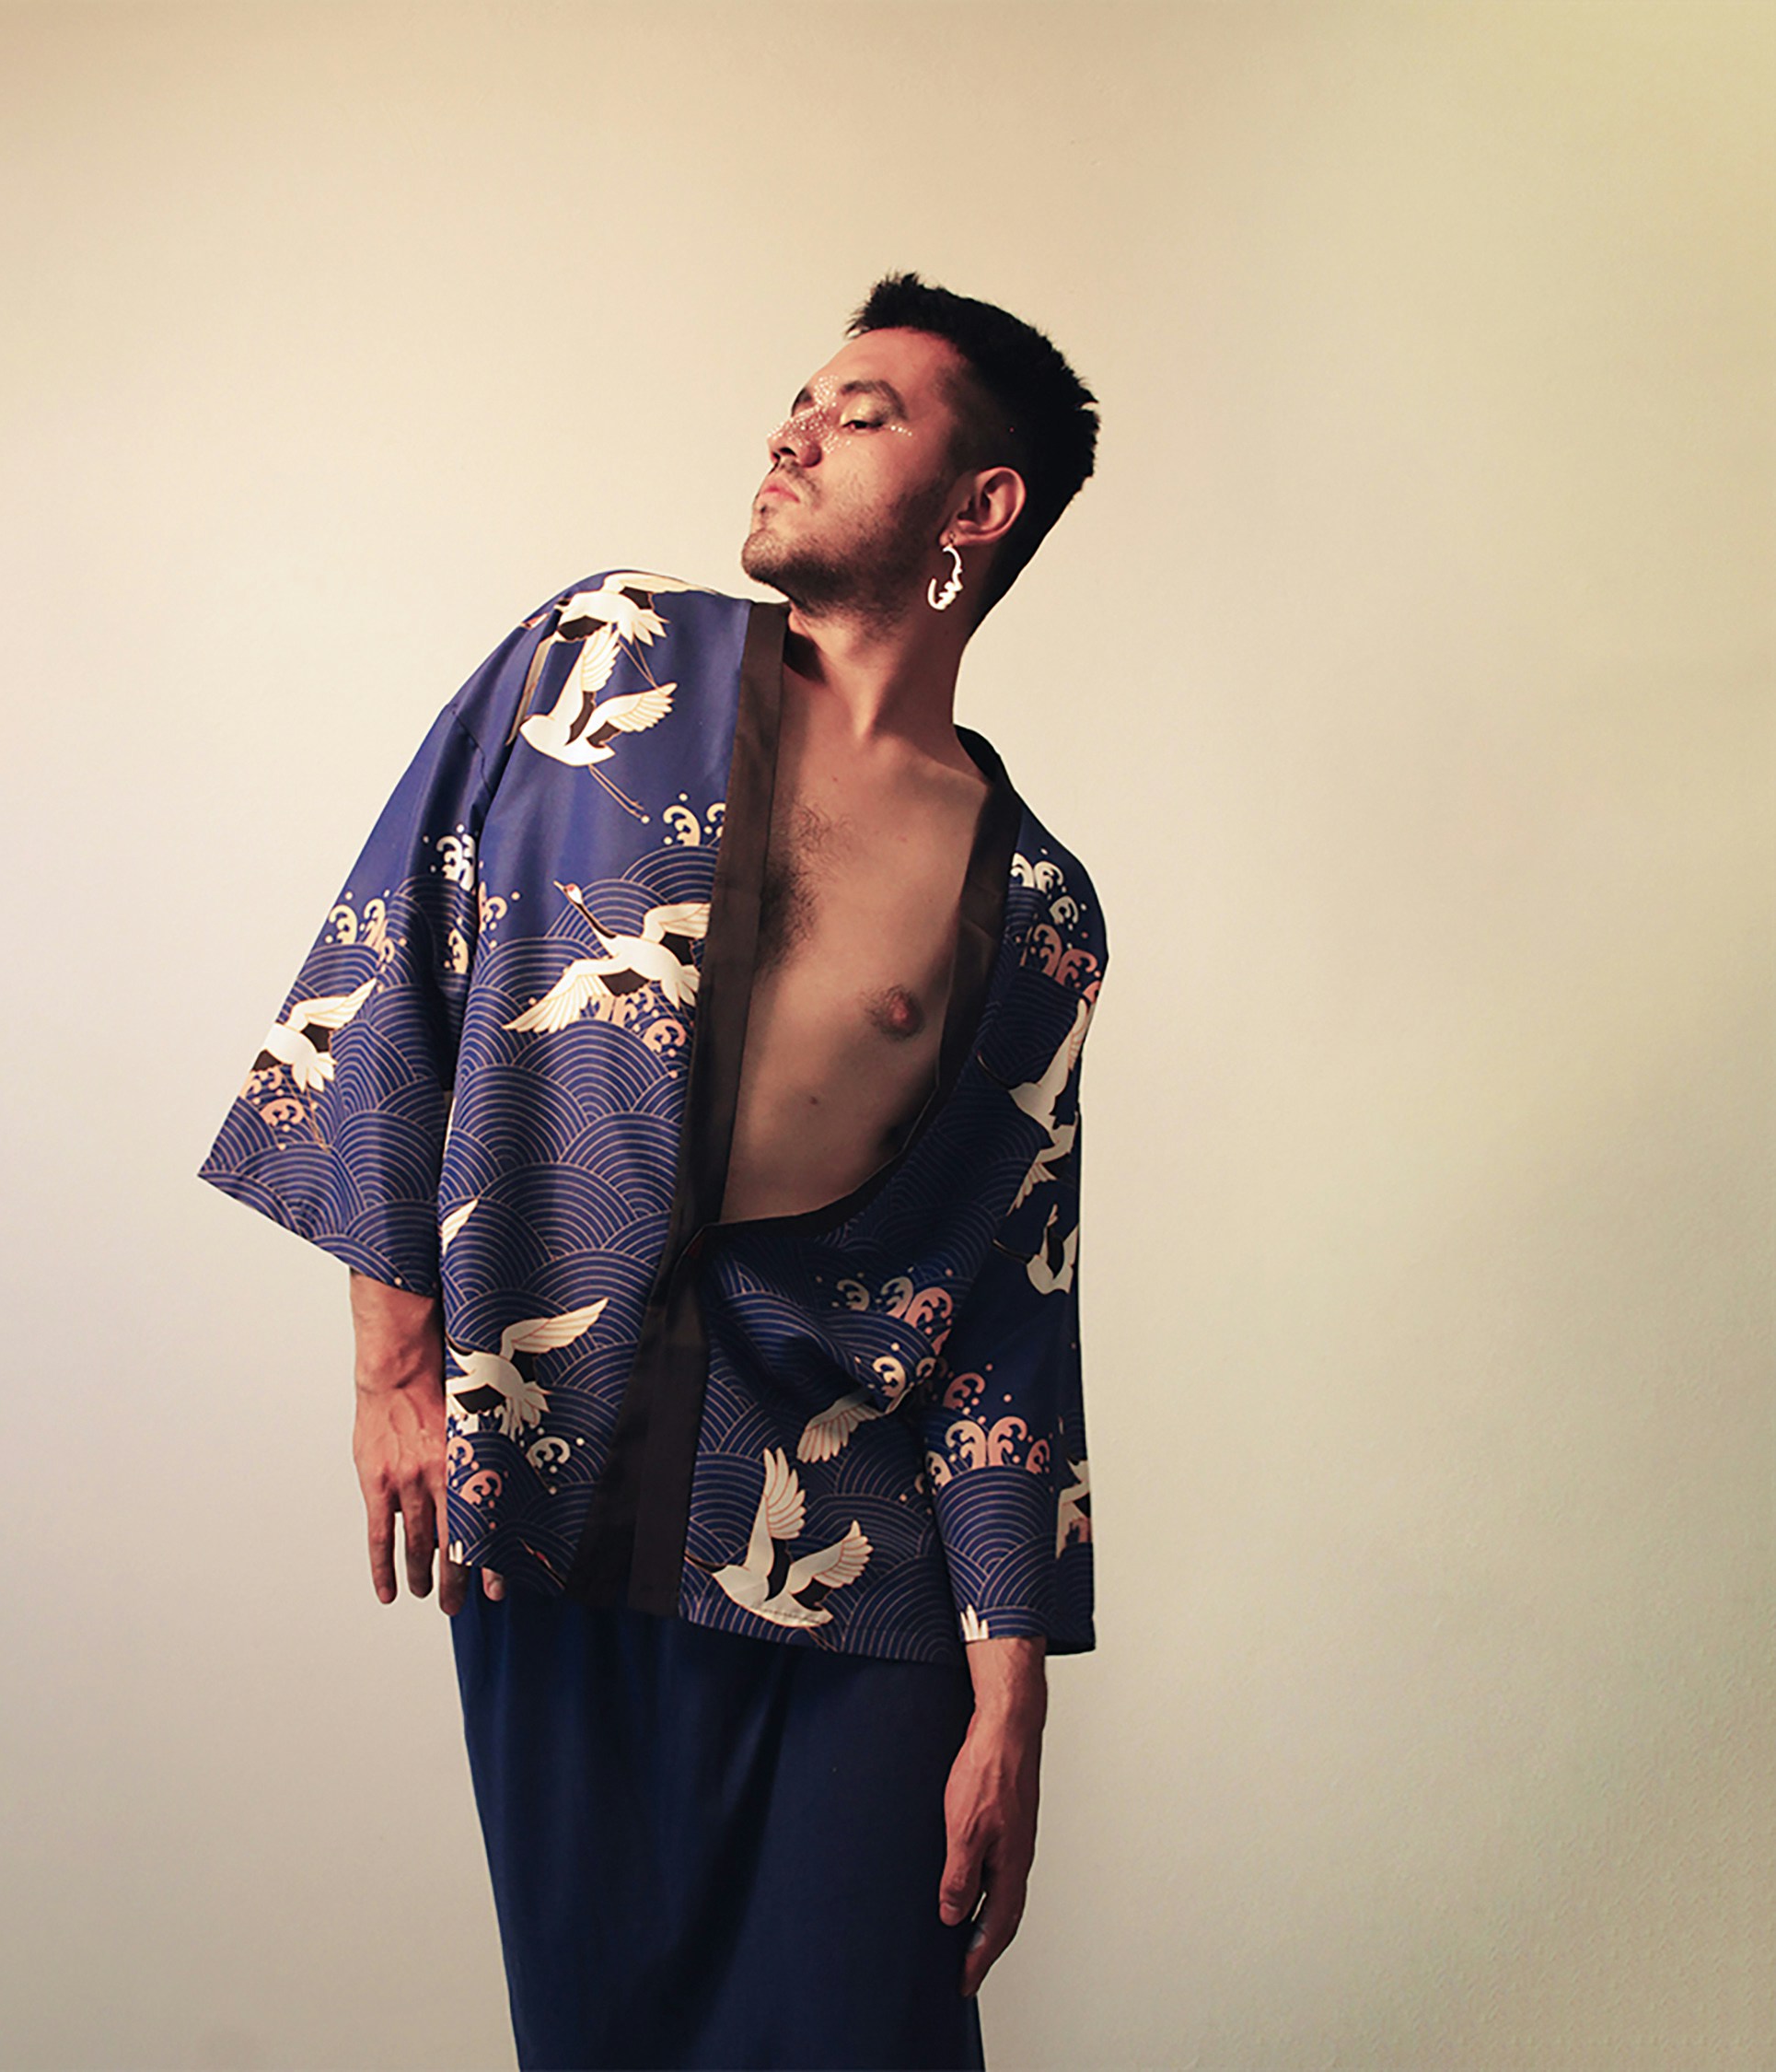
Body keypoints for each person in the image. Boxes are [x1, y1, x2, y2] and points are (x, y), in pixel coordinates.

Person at [201, 273, 1106, 2070]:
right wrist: (392, 1368)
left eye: (862, 412)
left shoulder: (1042, 914)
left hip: (859, 1563)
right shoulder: (603, 656)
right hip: (558, 1489)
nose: (794, 426)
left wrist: (1012, 1701)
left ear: (978, 506)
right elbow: (398, 959)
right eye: (799, 395)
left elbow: (1008, 1309)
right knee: (602, 2038)